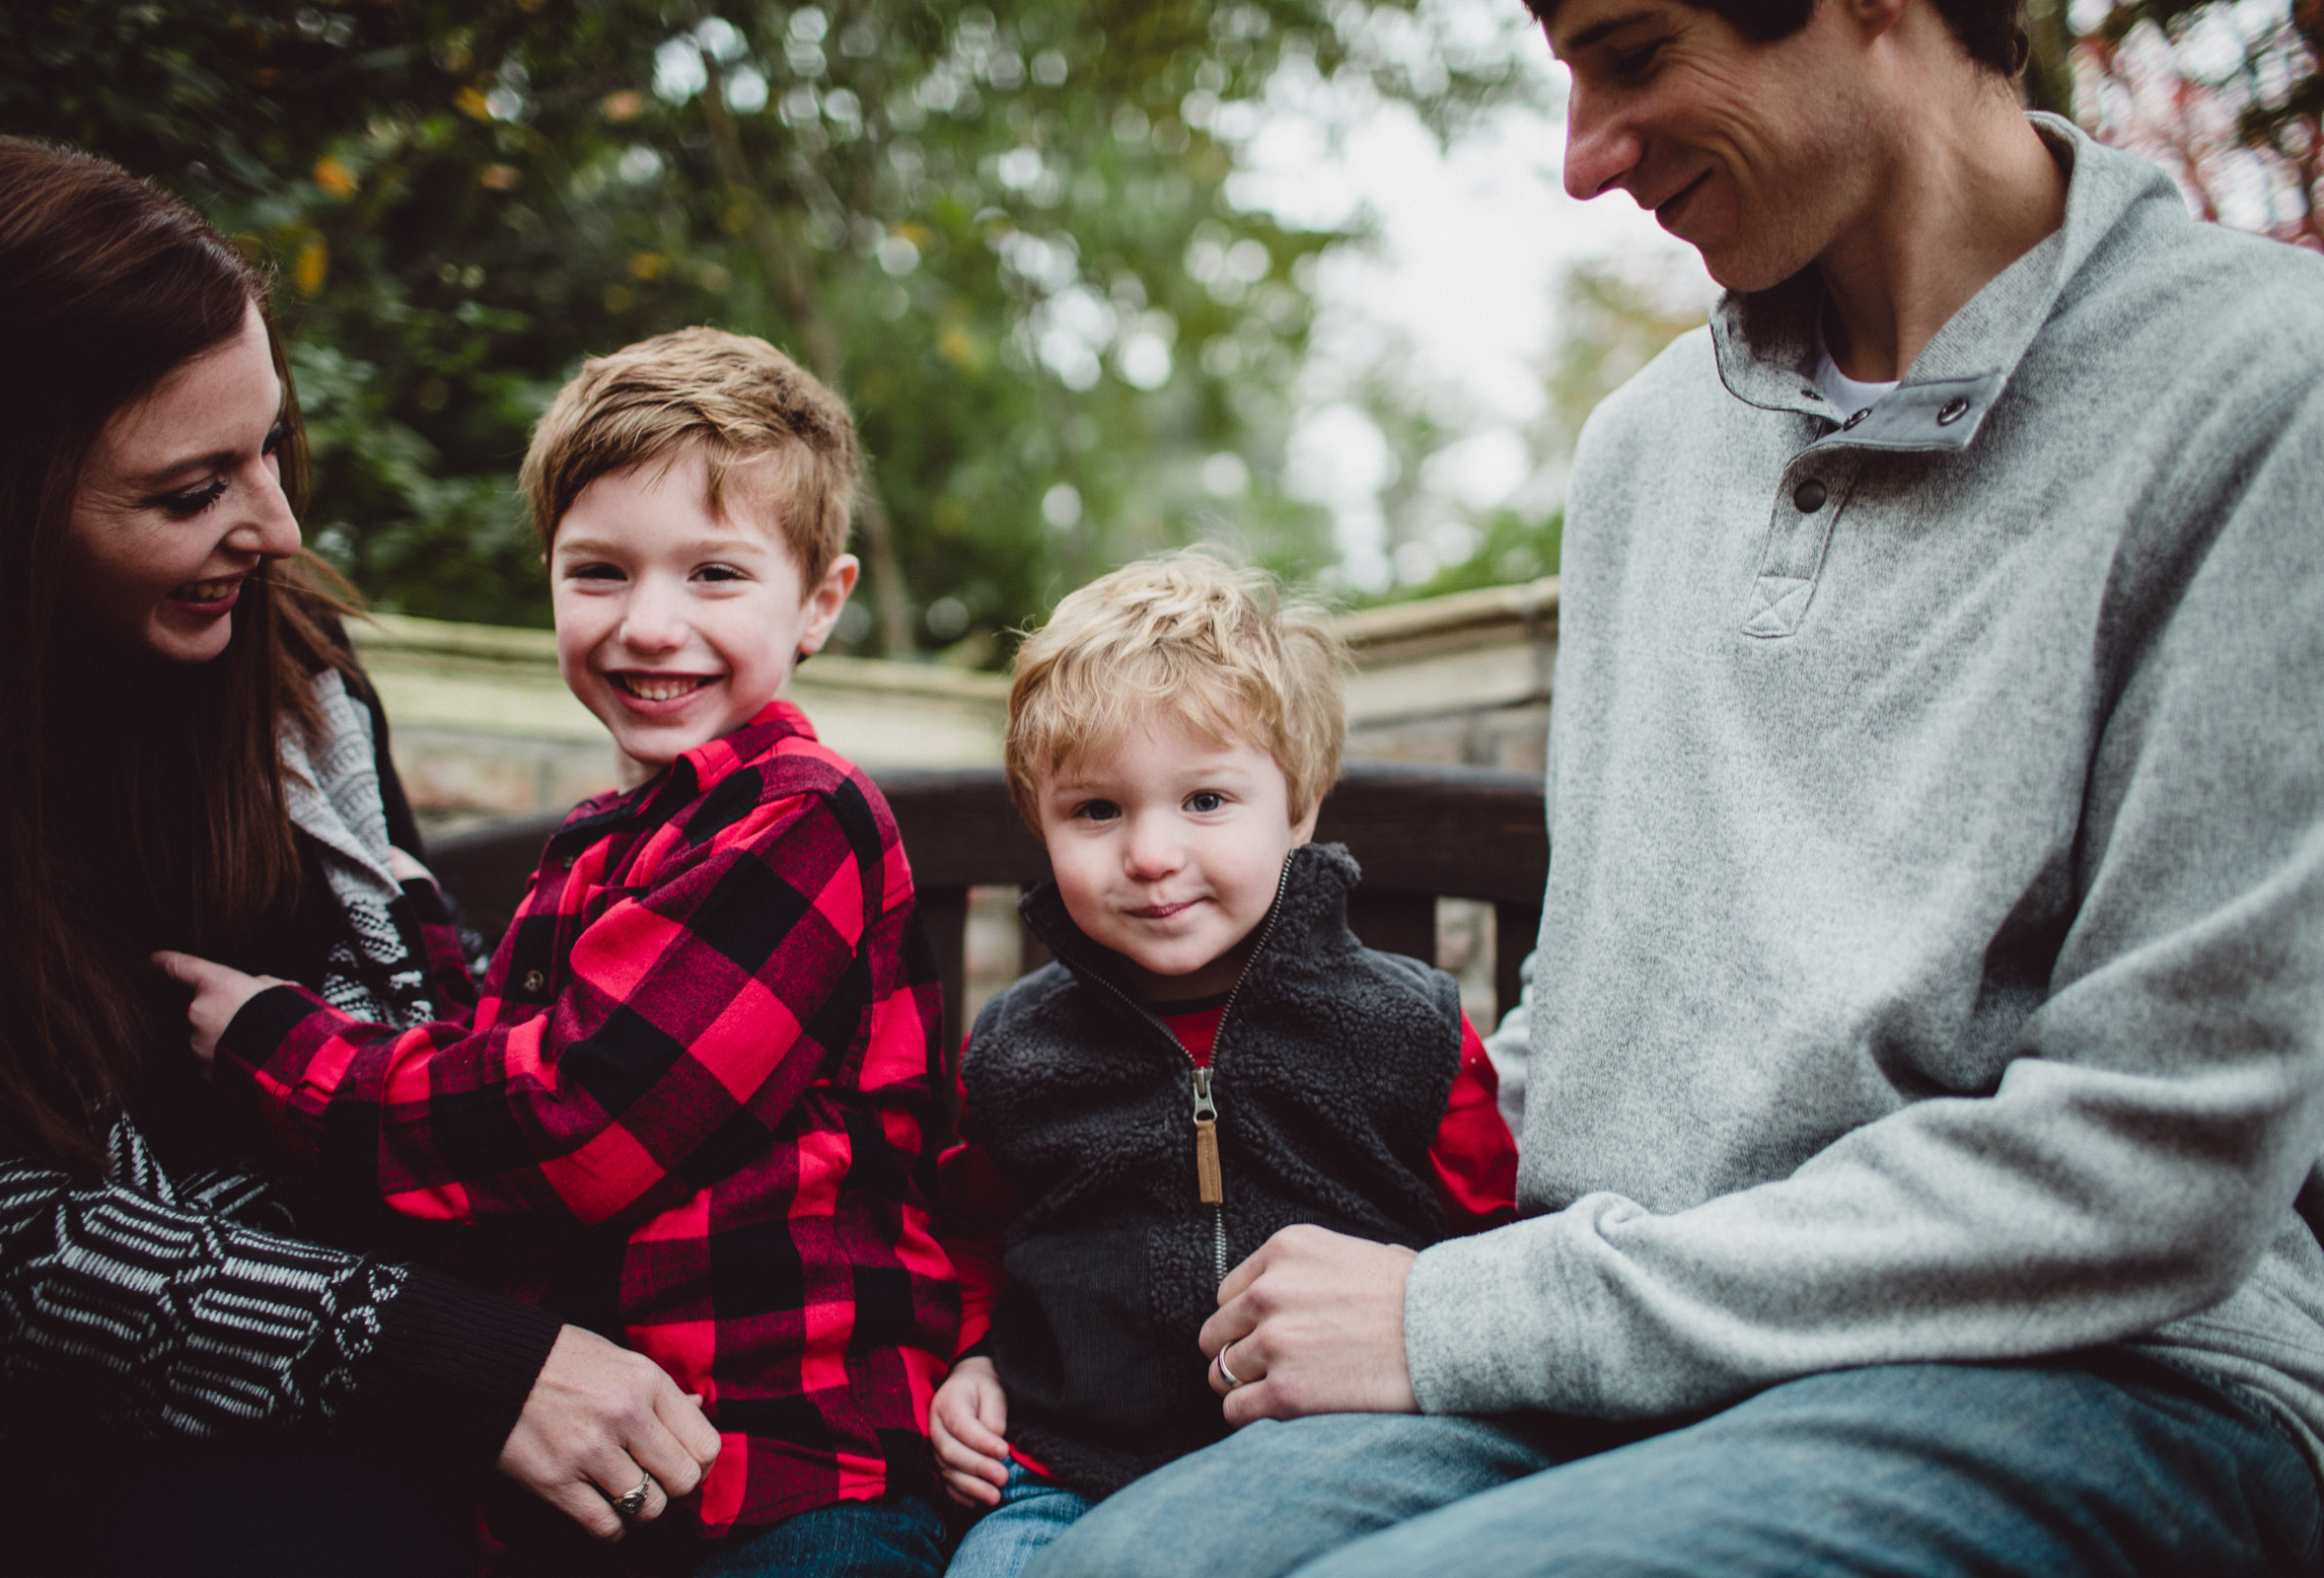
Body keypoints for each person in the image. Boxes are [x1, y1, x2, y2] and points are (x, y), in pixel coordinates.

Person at [1023, 0, 2324, 1573]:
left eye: (1633, 54)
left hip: (2092, 1370)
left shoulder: (2264, 391)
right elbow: (1587, 1007)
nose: (1581, 160)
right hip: (1612, 1351)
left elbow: (2153, 1163)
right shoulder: (1646, 447)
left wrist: (1476, 1311)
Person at [0, 136, 721, 1575]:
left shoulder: (289, 689)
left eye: (270, 450)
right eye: (190, 493)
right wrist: (453, 1358)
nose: (278, 526)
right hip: (87, 1445)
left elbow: (419, 1021)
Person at [161, 326, 961, 1576]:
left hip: (795, 1476)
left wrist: (280, 1045)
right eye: (599, 573)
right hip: (604, 1489)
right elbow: (485, 1055)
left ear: (820, 603)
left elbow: (575, 1120)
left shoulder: (803, 818)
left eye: (713, 576)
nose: (649, 625)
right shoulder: (594, 847)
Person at [926, 551, 1519, 1578]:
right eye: (1097, 811)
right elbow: (975, 1237)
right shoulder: (1019, 1051)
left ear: (1299, 805)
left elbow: (1496, 1240)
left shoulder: (1405, 1029)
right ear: (1041, 823)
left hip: (1345, 1461)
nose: (1151, 854)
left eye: (1205, 801)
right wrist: (972, 1355)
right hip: (1068, 1473)